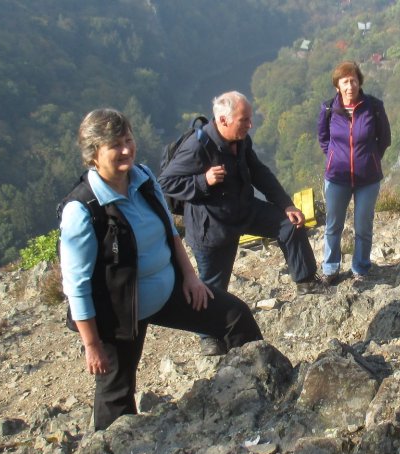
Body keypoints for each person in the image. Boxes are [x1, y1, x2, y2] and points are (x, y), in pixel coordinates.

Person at [59, 108, 263, 431]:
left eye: (128, 139)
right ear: (94, 155)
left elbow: (170, 233)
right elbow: (77, 286)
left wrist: (191, 278)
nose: (126, 150)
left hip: (168, 291)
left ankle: (257, 390)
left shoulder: (143, 179)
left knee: (235, 316)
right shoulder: (83, 209)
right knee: (116, 395)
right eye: (115, 145)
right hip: (119, 312)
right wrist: (92, 344)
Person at [159, 91, 320, 356]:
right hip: (212, 226)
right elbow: (165, 182)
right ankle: (208, 337)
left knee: (288, 226)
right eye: (244, 120)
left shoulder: (241, 141)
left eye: (249, 119)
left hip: (243, 209)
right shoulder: (198, 147)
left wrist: (286, 205)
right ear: (223, 120)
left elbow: (259, 173)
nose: (249, 124)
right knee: (211, 285)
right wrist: (203, 181)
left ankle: (306, 281)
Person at [316, 61, 391, 286]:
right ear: (337, 86)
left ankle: (360, 267)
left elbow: (384, 139)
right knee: (333, 225)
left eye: (354, 80)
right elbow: (323, 139)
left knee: (363, 225)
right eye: (345, 82)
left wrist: (369, 158)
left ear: (360, 82)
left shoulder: (374, 107)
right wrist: (334, 157)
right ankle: (330, 268)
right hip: (337, 178)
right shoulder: (328, 109)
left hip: (367, 179)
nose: (350, 86)